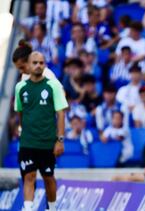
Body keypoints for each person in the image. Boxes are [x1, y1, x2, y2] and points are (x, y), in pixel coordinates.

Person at [14, 52, 68, 211]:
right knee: (29, 176)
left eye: (41, 63)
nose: (38, 65)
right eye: (35, 63)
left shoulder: (53, 86)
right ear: (28, 66)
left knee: (48, 178)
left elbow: (61, 114)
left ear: (45, 65)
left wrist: (60, 140)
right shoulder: (20, 87)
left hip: (47, 142)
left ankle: (51, 207)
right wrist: (23, 130)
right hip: (28, 142)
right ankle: (28, 208)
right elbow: (20, 112)